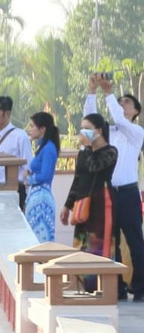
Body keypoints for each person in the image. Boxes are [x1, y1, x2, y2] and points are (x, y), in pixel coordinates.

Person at [85, 75, 144, 299]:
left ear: (135, 110)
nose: (121, 104)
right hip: (109, 191)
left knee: (135, 240)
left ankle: (140, 288)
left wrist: (109, 93)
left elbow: (119, 120)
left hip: (128, 192)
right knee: (112, 243)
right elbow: (89, 123)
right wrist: (92, 92)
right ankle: (116, 289)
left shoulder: (136, 132)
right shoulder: (108, 132)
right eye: (118, 101)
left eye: (126, 102)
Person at [62, 115, 117, 271]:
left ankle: (101, 286)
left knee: (99, 244)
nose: (83, 132)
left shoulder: (111, 152)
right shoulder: (84, 153)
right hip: (82, 203)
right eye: (82, 128)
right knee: (81, 245)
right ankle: (83, 286)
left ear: (98, 131)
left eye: (87, 128)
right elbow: (78, 179)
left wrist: (88, 148)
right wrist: (67, 205)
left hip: (101, 203)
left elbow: (94, 167)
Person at [0, 96, 35, 195]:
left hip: (13, 190)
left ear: (7, 114)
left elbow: (28, 167)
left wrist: (29, 195)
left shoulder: (20, 136)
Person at [24, 112, 61, 243]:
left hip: (41, 199)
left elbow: (45, 175)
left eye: (33, 126)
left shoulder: (48, 148)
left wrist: (28, 179)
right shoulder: (44, 147)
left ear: (42, 129)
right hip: (37, 196)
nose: (30, 129)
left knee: (40, 239)